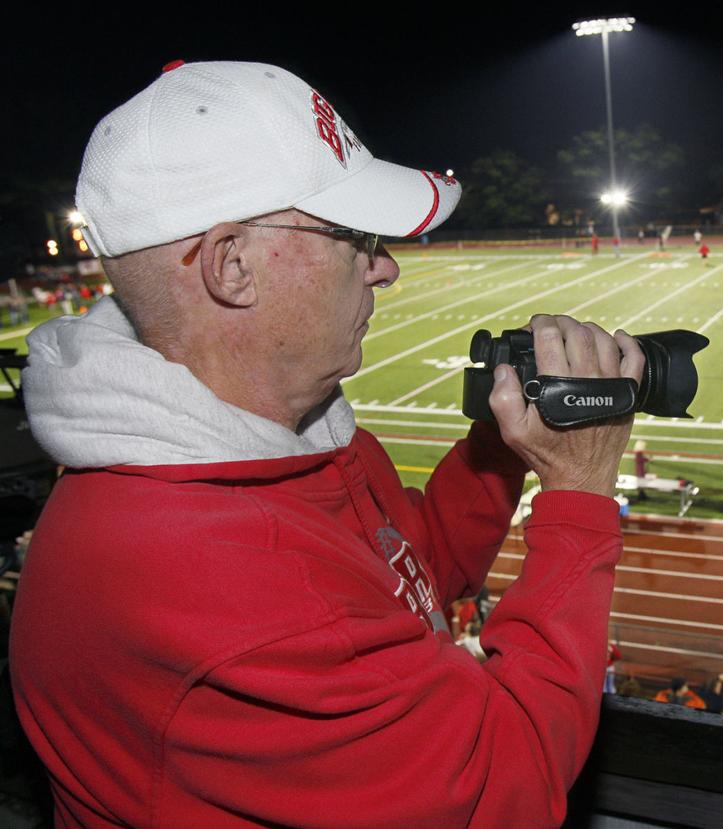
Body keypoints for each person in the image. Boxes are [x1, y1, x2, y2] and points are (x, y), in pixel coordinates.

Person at [10, 61, 647, 828]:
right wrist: (578, 494)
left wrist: (509, 438)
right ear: (231, 265)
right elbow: (507, 781)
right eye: (356, 236)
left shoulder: (287, 435)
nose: (386, 266)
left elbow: (413, 569)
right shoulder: (200, 580)